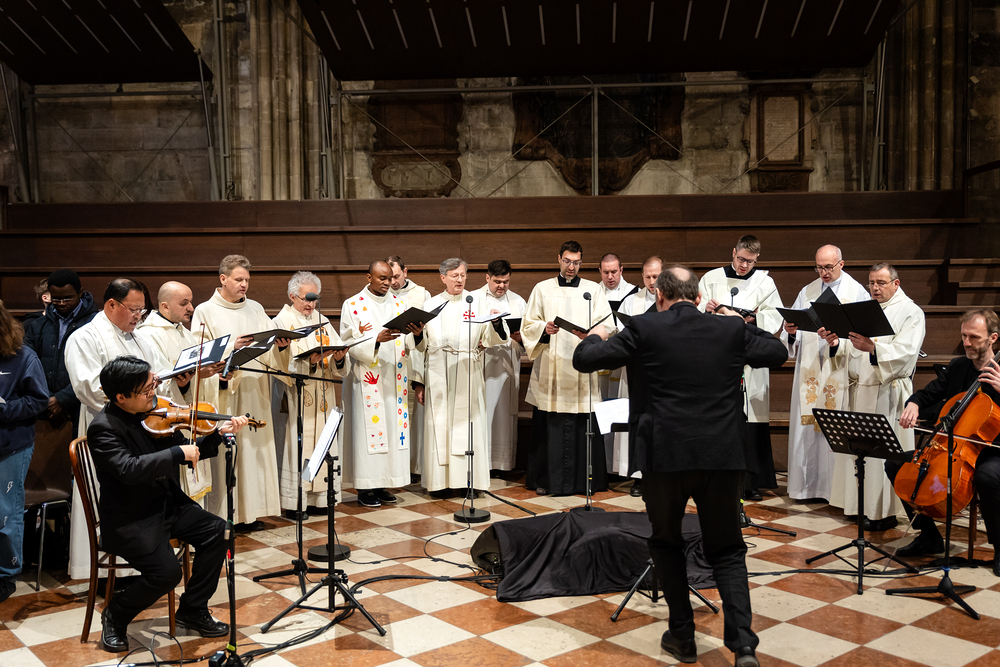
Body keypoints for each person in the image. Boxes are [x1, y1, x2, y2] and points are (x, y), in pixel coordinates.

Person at [573, 266, 785, 667]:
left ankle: (683, 636)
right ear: (697, 296)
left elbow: (584, 360)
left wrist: (596, 334)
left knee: (667, 543)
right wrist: (739, 321)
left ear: (660, 295)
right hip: (721, 457)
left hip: (664, 456)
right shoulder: (728, 329)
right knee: (727, 548)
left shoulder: (644, 327)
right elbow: (777, 352)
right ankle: (743, 646)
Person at [89, 356, 248, 652]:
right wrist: (176, 453)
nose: (154, 393)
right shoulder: (104, 428)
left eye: (153, 385)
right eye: (146, 390)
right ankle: (115, 614)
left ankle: (193, 609)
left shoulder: (155, 413)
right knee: (167, 573)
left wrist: (218, 434)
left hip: (168, 505)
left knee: (220, 531)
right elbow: (128, 469)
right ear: (121, 397)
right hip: (131, 517)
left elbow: (188, 451)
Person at [65, 278, 176, 579]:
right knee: (109, 494)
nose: (139, 316)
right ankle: (106, 576)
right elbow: (87, 386)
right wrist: (132, 394)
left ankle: (145, 567)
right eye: (134, 309)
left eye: (142, 310)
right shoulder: (84, 337)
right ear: (112, 304)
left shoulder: (140, 338)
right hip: (106, 428)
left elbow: (160, 371)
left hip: (143, 427)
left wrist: (173, 377)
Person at [888, 309, 1000, 574]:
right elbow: (928, 394)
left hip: (993, 450)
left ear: (993, 338)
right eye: (964, 336)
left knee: (988, 476)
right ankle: (929, 536)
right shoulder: (958, 366)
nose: (967, 343)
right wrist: (913, 403)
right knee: (896, 464)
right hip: (955, 447)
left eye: (974, 337)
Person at [822, 263, 924, 531]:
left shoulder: (910, 312)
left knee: (882, 456)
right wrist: (836, 343)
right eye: (871, 283)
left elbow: (906, 352)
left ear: (896, 283)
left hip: (886, 392)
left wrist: (873, 348)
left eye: (881, 282)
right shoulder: (866, 309)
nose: (875, 288)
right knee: (860, 453)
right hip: (859, 391)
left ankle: (883, 513)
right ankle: (859, 507)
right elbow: (851, 346)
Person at [191, 255, 290, 531]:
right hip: (225, 392)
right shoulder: (205, 311)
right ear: (223, 279)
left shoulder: (255, 308)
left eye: (247, 279)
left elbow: (268, 350)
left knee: (253, 451)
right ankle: (225, 516)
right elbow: (199, 354)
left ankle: (252, 513)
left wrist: (280, 346)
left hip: (254, 390)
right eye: (238, 279)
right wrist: (230, 348)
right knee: (229, 452)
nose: (244, 284)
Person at [522, 240, 612, 496]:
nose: (571, 267)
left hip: (582, 366)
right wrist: (545, 328)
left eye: (576, 262)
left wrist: (592, 334)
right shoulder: (542, 289)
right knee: (551, 421)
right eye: (567, 261)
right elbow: (529, 324)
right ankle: (547, 480)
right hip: (552, 366)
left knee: (584, 422)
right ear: (558, 259)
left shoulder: (593, 290)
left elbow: (607, 324)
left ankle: (586, 481)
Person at [698, 236, 784, 501]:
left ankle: (751, 483)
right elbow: (697, 308)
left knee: (751, 421)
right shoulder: (711, 278)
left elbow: (775, 316)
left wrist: (753, 318)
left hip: (751, 358)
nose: (744, 265)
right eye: (741, 259)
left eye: (750, 261)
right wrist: (709, 310)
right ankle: (715, 479)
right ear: (733, 252)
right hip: (720, 358)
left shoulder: (765, 283)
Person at [781, 245, 869, 503]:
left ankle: (835, 493)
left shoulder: (856, 293)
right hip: (811, 369)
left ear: (842, 264)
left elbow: (864, 335)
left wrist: (837, 341)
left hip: (839, 369)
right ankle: (807, 488)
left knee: (835, 428)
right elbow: (792, 338)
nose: (824, 272)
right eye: (819, 267)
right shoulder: (807, 291)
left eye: (829, 267)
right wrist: (791, 331)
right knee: (808, 432)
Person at [411, 259, 506, 495]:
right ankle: (439, 483)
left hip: (467, 370)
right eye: (455, 276)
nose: (460, 280)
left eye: (463, 275)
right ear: (443, 277)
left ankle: (468, 481)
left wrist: (496, 323)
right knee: (439, 426)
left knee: (469, 426)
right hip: (437, 371)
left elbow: (492, 338)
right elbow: (418, 347)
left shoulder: (477, 302)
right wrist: (419, 381)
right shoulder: (430, 305)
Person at [340, 260, 424, 507]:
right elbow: (347, 344)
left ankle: (384, 483)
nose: (388, 283)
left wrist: (417, 333)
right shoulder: (353, 305)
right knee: (369, 432)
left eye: (390, 278)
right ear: (369, 277)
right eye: (382, 279)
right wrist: (376, 340)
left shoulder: (400, 304)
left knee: (392, 431)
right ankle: (366, 487)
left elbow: (411, 343)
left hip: (395, 378)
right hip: (367, 380)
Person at [135, 281, 226, 504]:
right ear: (164, 306)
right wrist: (189, 380)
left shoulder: (185, 333)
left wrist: (214, 374)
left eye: (191, 302)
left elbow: (193, 375)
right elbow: (158, 379)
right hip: (167, 421)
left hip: (188, 416)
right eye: (184, 303)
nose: (191, 308)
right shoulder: (148, 335)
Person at [271, 271, 348, 516]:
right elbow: (277, 364)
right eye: (306, 299)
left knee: (323, 444)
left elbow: (337, 362)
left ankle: (320, 499)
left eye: (315, 299)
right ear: (292, 296)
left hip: (323, 393)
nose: (311, 304)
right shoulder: (281, 322)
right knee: (300, 446)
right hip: (297, 396)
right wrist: (308, 363)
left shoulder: (321, 320)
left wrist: (339, 358)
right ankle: (297, 501)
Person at [0, 299, 48, 603]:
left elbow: (39, 401)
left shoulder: (22, 356)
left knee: (4, 512)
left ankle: (6, 574)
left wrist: (3, 409)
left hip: (9, 446)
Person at [611, 256, 663, 497]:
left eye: (656, 277)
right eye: (648, 277)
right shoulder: (631, 302)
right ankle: (638, 476)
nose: (652, 282)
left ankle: (662, 473)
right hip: (636, 372)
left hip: (662, 373)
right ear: (642, 276)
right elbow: (621, 334)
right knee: (638, 423)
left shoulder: (673, 300)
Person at [23, 269, 98, 433]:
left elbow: (98, 367)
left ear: (80, 293)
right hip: (44, 406)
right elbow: (26, 365)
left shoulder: (96, 324)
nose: (62, 303)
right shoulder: (37, 325)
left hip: (82, 406)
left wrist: (63, 399)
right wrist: (48, 399)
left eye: (68, 298)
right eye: (56, 299)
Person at [472, 260, 527, 472]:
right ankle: (479, 464)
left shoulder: (518, 302)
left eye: (505, 281)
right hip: (482, 364)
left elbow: (528, 337)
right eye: (497, 281)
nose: (501, 286)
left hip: (506, 366)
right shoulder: (473, 299)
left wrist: (521, 338)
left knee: (503, 414)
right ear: (487, 278)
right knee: (480, 412)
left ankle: (501, 465)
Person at [387, 255, 432, 480]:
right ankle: (394, 466)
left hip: (414, 361)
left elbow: (429, 332)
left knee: (415, 419)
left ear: (406, 271)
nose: (392, 282)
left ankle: (414, 466)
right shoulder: (381, 295)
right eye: (389, 278)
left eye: (396, 276)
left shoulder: (422, 294)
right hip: (390, 363)